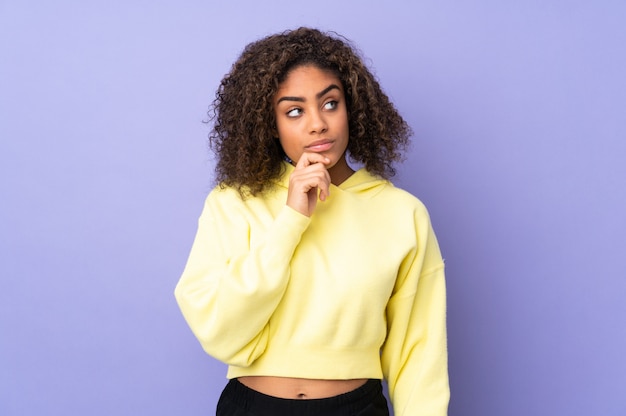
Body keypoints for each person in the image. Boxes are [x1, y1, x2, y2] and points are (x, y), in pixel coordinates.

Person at [175, 27, 449, 416]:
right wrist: (291, 220)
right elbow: (218, 329)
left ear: (352, 107)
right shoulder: (234, 201)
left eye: (331, 104)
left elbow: (418, 355)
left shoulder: (401, 213)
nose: (317, 124)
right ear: (270, 125)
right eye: (294, 111)